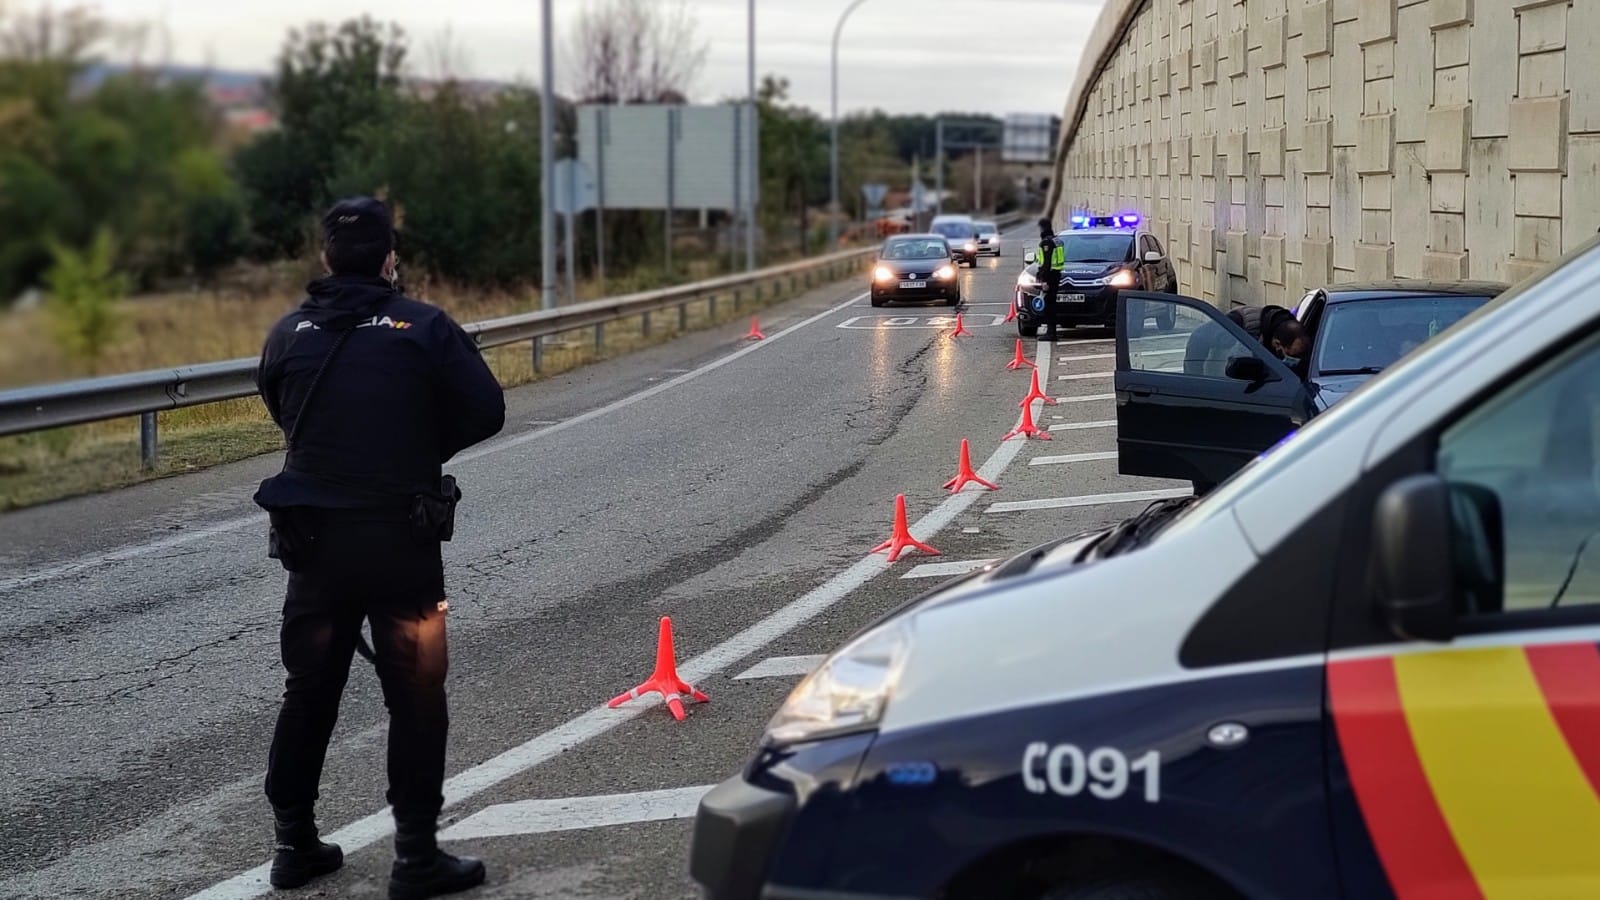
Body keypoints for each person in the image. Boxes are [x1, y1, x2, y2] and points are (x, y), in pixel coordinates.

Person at [253, 197, 506, 899]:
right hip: (401, 542)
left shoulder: (288, 332)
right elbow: (487, 408)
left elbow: (282, 407)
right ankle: (416, 859)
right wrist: (409, 450)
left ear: (327, 258)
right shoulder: (421, 326)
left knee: (308, 692)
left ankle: (292, 845)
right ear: (391, 259)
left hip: (315, 546)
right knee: (418, 697)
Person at [1227, 304, 1310, 376]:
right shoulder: (1241, 321)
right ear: (1277, 344)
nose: (1296, 360)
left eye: (1300, 355)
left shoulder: (1295, 331)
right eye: (1292, 355)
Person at [1035, 218, 1065, 339]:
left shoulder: (1047, 243)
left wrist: (1043, 279)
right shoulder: (1058, 241)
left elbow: (1046, 263)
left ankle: (1051, 333)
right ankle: (1051, 332)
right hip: (1056, 274)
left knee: (1049, 305)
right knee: (1052, 304)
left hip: (1050, 276)